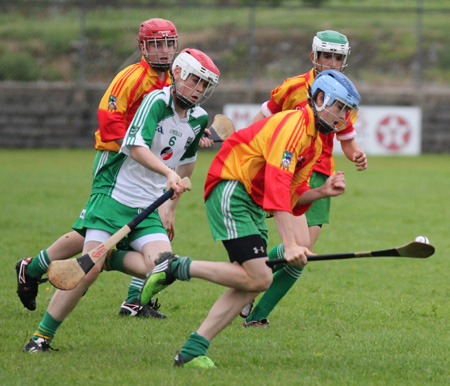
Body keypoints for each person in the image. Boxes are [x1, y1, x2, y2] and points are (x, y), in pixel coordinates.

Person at [139, 70, 361, 368]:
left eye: (348, 111)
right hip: (232, 188)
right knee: (260, 277)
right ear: (320, 98)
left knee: (254, 281)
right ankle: (176, 267)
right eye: (340, 107)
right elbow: (277, 184)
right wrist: (290, 243)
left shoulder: (317, 143)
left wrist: (321, 191)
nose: (343, 117)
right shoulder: (295, 124)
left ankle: (192, 350)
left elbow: (293, 196)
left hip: (252, 202)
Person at [22, 48, 220, 353]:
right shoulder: (156, 101)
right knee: (87, 272)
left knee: (161, 267)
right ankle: (40, 339)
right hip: (114, 193)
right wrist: (168, 173)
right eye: (194, 80)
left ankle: (109, 258)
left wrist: (170, 206)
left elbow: (186, 165)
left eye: (204, 85)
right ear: (178, 73)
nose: (198, 89)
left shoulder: (199, 118)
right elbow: (135, 146)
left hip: (148, 203)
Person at [15, 18, 180, 319]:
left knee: (112, 230)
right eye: (157, 44)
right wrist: (136, 151)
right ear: (143, 47)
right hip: (116, 162)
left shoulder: (170, 81)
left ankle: (131, 300)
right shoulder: (131, 78)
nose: (165, 51)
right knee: (100, 230)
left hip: (143, 166)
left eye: (169, 44)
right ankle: (36, 269)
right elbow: (108, 120)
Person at [242, 30, 368, 327]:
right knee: (295, 246)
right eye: (327, 56)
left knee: (303, 255)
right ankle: (250, 284)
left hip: (321, 173)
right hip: (290, 168)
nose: (332, 62)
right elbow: (263, 118)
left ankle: (256, 304)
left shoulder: (345, 94)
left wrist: (356, 153)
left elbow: (347, 139)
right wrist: (248, 145)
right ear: (314, 56)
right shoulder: (294, 87)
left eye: (338, 57)